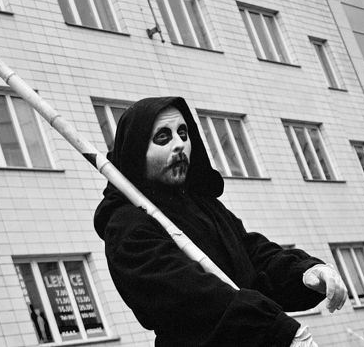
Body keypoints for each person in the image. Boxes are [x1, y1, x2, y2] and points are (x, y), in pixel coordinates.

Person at [94, 96, 347, 346]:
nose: (179, 144)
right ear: (137, 150)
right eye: (163, 137)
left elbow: (254, 256)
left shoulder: (202, 205)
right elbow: (193, 298)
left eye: (183, 134)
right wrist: (276, 331)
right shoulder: (127, 225)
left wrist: (305, 272)